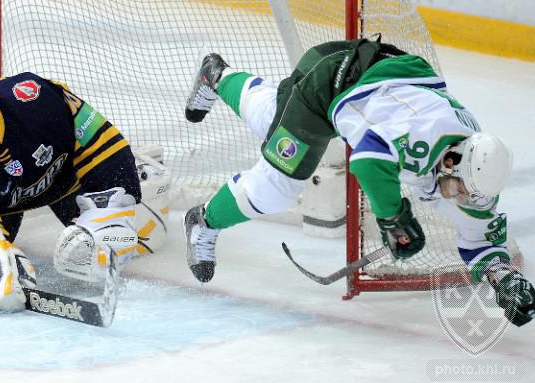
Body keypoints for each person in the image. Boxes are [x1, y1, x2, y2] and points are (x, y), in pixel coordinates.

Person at [182, 36, 534, 326]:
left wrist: (505, 280)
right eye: (458, 188)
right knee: (278, 186)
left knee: (276, 120)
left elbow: (481, 240)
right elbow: (368, 158)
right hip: (332, 80)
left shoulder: (472, 174)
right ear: (452, 159)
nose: (459, 199)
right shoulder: (424, 138)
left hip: (376, 74)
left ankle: (217, 74)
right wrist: (392, 218)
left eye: (467, 196)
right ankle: (203, 221)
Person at [0, 72, 143, 316]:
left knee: (109, 243)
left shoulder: (34, 100)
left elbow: (103, 144)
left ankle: (150, 177)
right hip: (5, 204)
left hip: (67, 182)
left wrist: (112, 205)